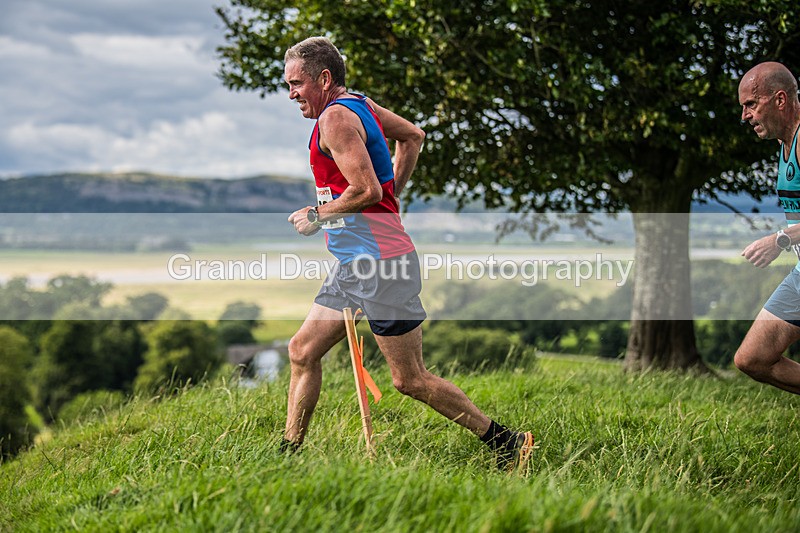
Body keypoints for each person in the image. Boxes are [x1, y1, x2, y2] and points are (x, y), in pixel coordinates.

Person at [281, 36, 534, 470]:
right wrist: (389, 198)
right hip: (353, 264)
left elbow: (366, 189)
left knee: (409, 379)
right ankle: (287, 455)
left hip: (382, 265)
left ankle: (506, 441)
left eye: (297, 83)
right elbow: (413, 137)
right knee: (302, 351)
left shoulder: (336, 119)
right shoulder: (362, 104)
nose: (291, 94)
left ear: (324, 78)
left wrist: (318, 215)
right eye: (287, 85)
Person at [735, 61, 800, 394]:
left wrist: (780, 240)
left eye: (751, 104)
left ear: (779, 100)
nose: (745, 115)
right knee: (753, 359)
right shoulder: (783, 144)